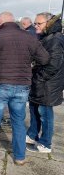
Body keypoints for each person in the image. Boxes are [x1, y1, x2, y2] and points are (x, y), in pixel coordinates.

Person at [0, 11, 49, 165]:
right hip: (22, 86)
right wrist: (29, 66)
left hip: (0, 84)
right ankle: (20, 157)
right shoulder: (29, 37)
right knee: (18, 121)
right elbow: (44, 59)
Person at [26, 13, 64, 153]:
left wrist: (39, 78)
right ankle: (32, 135)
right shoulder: (46, 37)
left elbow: (53, 64)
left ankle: (45, 143)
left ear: (48, 23)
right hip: (40, 81)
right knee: (34, 109)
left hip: (48, 84)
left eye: (38, 23)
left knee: (45, 113)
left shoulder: (56, 39)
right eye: (35, 23)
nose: (35, 26)